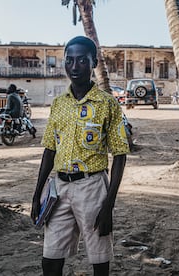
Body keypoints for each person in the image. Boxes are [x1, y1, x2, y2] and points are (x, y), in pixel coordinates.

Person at [30, 36, 130, 276]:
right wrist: (36, 195)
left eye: (82, 61)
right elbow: (50, 150)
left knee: (99, 260)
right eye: (70, 60)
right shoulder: (58, 104)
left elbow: (119, 155)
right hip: (59, 189)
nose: (75, 67)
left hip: (92, 188)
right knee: (50, 260)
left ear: (93, 62)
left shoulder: (107, 104)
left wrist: (108, 206)